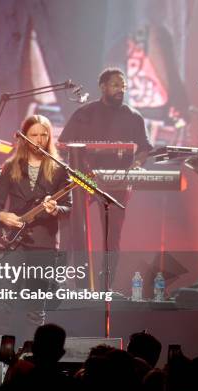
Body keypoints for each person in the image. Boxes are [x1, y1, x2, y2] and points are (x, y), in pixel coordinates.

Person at [58, 67, 153, 288]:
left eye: (123, 86)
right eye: (116, 85)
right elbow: (63, 145)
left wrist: (137, 163)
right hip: (84, 179)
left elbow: (144, 148)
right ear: (103, 87)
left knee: (113, 237)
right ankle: (60, 282)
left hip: (118, 182)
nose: (121, 90)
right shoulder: (85, 113)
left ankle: (104, 288)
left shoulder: (133, 116)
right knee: (72, 230)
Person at [0, 114, 72, 341]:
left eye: (44, 135)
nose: (39, 140)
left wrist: (55, 209)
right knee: (4, 300)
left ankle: (34, 359)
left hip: (43, 243)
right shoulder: (12, 166)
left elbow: (68, 207)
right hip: (13, 241)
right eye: (34, 135)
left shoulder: (59, 169)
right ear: (24, 138)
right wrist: (4, 216)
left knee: (36, 306)